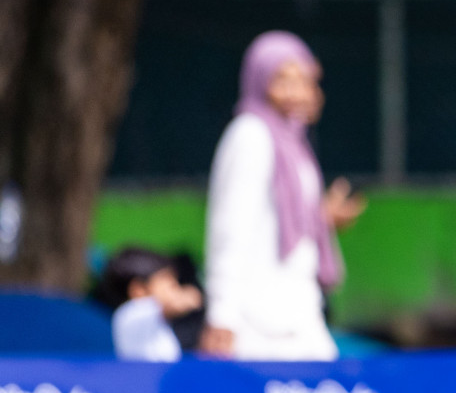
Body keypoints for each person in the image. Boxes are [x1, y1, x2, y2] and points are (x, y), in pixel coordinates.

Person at [204, 31, 365, 361]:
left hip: (298, 315)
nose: (295, 92)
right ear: (259, 80)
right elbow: (229, 229)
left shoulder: (292, 143)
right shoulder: (251, 134)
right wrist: (222, 315)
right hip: (257, 325)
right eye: (282, 79)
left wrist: (323, 218)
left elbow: (282, 219)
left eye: (303, 80)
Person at [99, 247, 203, 361]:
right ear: (139, 289)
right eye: (169, 284)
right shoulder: (130, 313)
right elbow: (176, 304)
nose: (176, 288)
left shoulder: (158, 322)